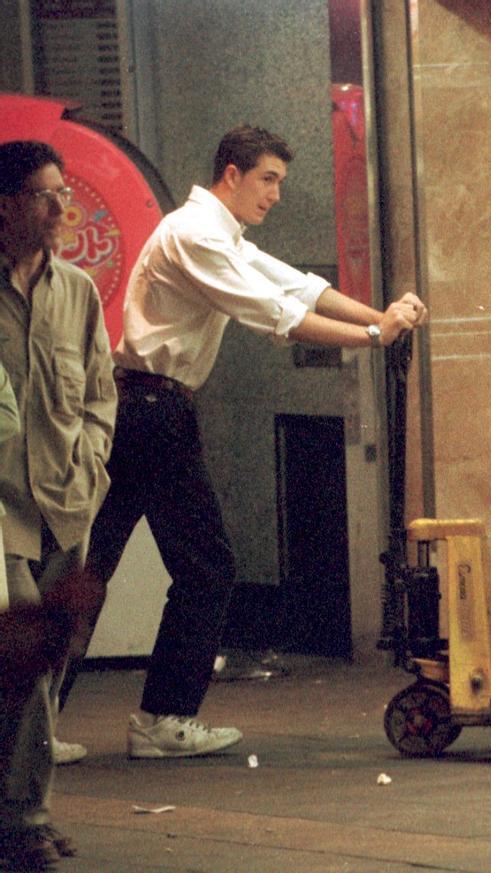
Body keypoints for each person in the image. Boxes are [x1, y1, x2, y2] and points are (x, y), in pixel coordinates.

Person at [70, 125, 429, 760]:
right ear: (231, 175)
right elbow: (278, 314)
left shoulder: (219, 233)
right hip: (153, 413)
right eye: (268, 179)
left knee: (90, 570)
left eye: (280, 182)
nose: (276, 194)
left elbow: (296, 286)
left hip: (144, 409)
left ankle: (25, 727)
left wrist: (380, 318)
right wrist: (375, 338)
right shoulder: (196, 235)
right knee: (204, 568)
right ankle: (161, 721)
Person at [0, 140, 117, 869]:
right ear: (6, 205)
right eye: (45, 195)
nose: (60, 208)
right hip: (3, 511)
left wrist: (92, 461)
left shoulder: (77, 291)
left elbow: (100, 391)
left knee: (44, 663)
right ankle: (25, 820)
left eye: (63, 193)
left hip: (67, 503)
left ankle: (19, 815)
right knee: (18, 664)